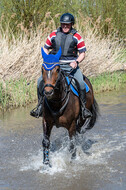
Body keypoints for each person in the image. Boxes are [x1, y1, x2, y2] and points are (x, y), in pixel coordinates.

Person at [30, 13, 92, 119]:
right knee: (40, 81)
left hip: (70, 66)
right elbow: (45, 48)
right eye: (63, 24)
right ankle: (40, 107)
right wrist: (47, 59)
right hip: (54, 66)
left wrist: (76, 61)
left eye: (67, 24)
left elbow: (82, 53)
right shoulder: (53, 34)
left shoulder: (77, 36)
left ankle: (83, 109)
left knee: (81, 83)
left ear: (72, 24)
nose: (65, 26)